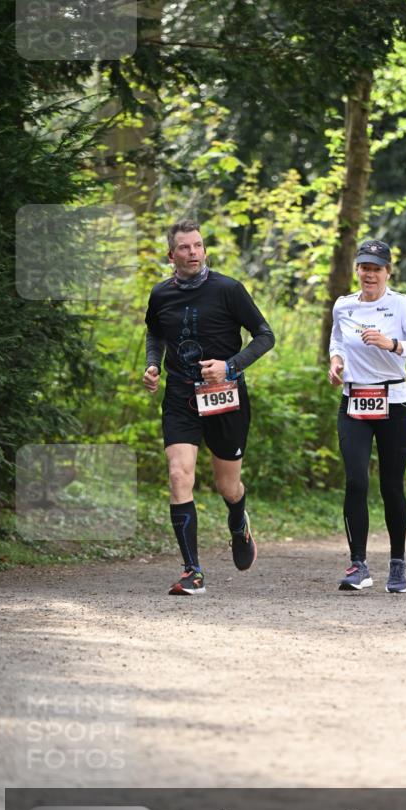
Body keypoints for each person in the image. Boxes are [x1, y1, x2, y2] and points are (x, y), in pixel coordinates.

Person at [143, 220, 275, 594]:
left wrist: (229, 366)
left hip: (225, 395)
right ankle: (192, 571)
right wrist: (153, 364)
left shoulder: (228, 289)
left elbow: (266, 336)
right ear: (172, 255)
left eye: (198, 246)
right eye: (185, 248)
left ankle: (238, 520)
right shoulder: (160, 294)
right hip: (180, 396)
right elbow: (155, 331)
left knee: (227, 485)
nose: (194, 253)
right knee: (179, 475)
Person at [328, 239, 406, 593]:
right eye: (364, 267)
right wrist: (336, 362)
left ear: (388, 272)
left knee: (391, 486)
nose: (369, 274)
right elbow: (338, 342)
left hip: (394, 402)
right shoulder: (343, 306)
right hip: (354, 401)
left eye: (376, 268)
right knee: (356, 480)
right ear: (356, 270)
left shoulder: (400, 305)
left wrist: (393, 345)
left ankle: (398, 563)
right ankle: (358, 564)